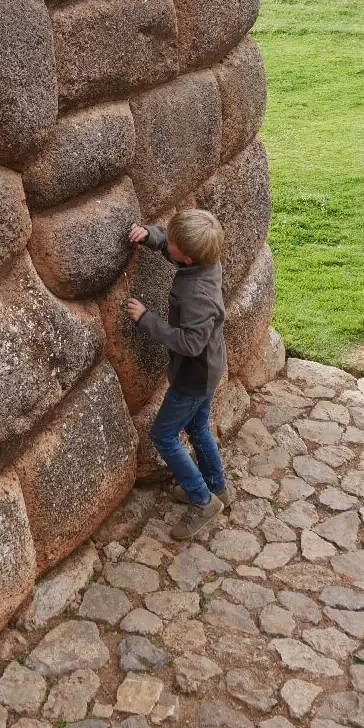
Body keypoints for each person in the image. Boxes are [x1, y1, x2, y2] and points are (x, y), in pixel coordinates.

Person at [126, 210, 230, 540]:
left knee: (164, 436)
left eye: (169, 242)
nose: (166, 243)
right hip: (209, 369)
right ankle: (217, 489)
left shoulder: (197, 294)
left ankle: (202, 500)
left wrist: (147, 320)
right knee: (197, 426)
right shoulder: (204, 262)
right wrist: (152, 236)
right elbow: (175, 245)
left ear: (185, 256)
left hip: (193, 377)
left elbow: (190, 343)